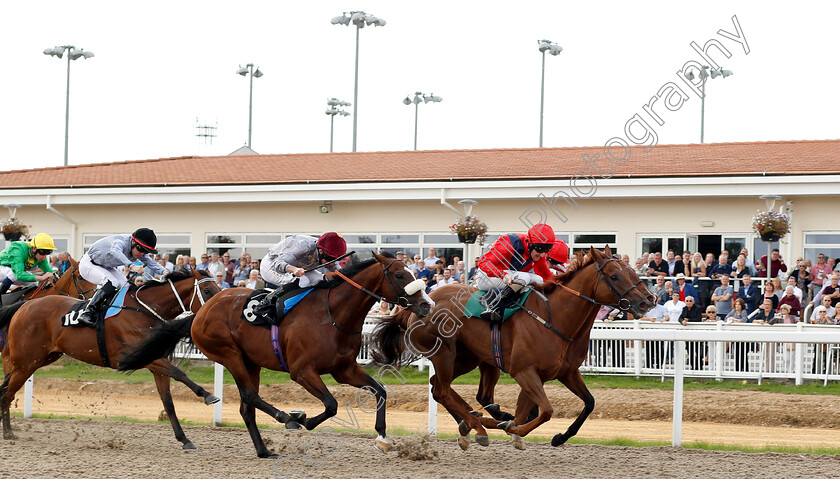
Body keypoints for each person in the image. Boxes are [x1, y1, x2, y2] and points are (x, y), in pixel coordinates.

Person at [77, 228, 165, 327]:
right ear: (133, 242)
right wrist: (131, 266)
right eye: (140, 249)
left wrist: (167, 273)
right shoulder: (120, 241)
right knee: (113, 282)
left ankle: (113, 311)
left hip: (105, 266)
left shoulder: (138, 250)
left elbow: (152, 264)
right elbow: (115, 251)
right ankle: (87, 313)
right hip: (88, 264)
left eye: (146, 251)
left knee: (125, 285)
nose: (142, 253)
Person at [474, 223, 555, 324]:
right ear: (529, 243)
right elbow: (483, 262)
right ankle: (495, 307)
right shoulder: (510, 241)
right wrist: (503, 275)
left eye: (546, 250)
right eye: (539, 249)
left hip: (507, 278)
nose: (543, 254)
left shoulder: (538, 254)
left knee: (539, 280)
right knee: (524, 276)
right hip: (486, 277)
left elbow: (546, 275)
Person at [253, 232, 347, 316]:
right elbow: (277, 263)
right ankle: (267, 302)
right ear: (321, 250)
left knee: (321, 279)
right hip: (272, 265)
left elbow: (339, 271)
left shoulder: (326, 251)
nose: (332, 263)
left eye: (336, 260)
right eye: (330, 259)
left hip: (299, 266)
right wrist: (293, 269)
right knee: (303, 281)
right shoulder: (302, 245)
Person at [0, 233, 56, 298]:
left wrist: (56, 277)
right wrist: (41, 278)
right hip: (2, 267)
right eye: (43, 252)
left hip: (11, 272)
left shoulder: (40, 256)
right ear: (34, 248)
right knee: (12, 274)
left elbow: (50, 272)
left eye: (48, 253)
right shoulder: (18, 249)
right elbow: (19, 274)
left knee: (34, 282)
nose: (44, 257)